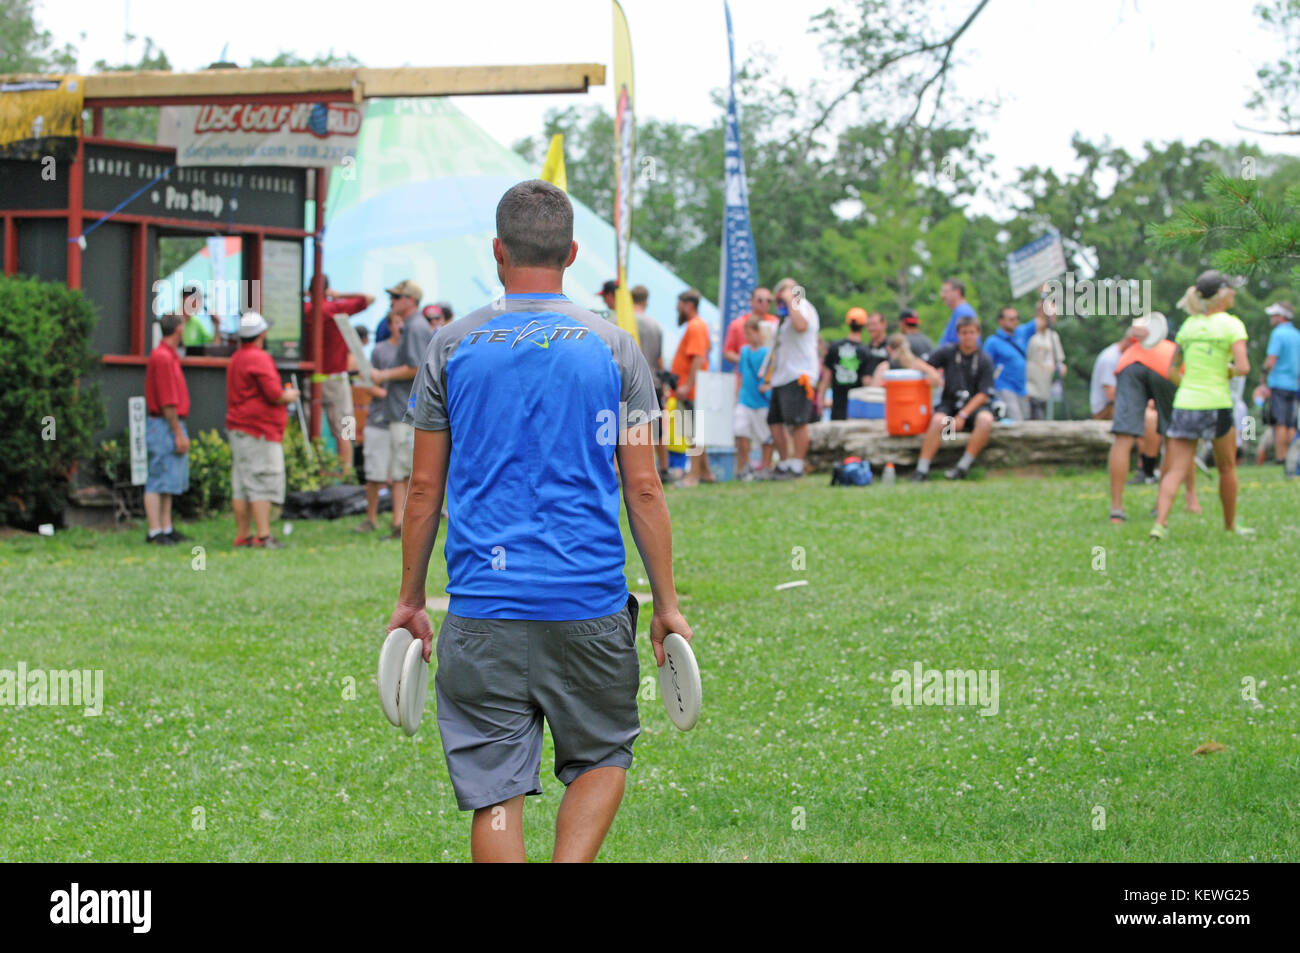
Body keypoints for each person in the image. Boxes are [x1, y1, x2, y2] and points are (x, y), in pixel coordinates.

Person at [386, 179, 692, 863]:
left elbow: (423, 489)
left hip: (482, 613)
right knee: (602, 753)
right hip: (587, 603)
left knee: (495, 791)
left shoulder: (449, 346)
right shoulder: (616, 349)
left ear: (497, 251)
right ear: (573, 252)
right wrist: (667, 605)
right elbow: (644, 490)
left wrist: (409, 600)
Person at [1151, 270, 1252, 540]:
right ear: (1220, 293)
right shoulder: (1232, 325)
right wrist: (1225, 372)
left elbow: (1172, 369)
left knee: (1176, 468)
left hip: (1186, 402)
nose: (1233, 293)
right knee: (1227, 467)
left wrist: (1188, 385)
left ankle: (1159, 524)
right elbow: (1243, 367)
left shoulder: (1189, 326)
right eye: (1230, 289)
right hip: (1216, 403)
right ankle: (1230, 526)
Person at [1107, 314, 1198, 523]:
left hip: (1129, 365)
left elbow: (1134, 331)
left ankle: (1116, 510)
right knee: (1174, 437)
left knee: (1123, 436)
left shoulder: (1134, 347)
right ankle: (1162, 505)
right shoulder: (1174, 350)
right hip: (1166, 367)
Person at [226, 312, 299, 549]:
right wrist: (289, 395)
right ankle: (264, 536)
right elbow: (274, 394)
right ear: (262, 334)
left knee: (241, 483)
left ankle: (244, 535)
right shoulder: (259, 358)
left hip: (239, 428)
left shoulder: (236, 357)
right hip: (259, 430)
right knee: (261, 480)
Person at [369, 280, 429, 538]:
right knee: (400, 471)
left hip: (408, 411)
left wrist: (383, 375)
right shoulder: (413, 326)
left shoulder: (415, 327)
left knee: (404, 473)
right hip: (403, 409)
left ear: (410, 300)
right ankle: (399, 523)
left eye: (396, 297)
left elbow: (415, 367)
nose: (392, 301)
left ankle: (403, 525)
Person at [304, 275, 374, 478]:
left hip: (311, 379)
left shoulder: (305, 311)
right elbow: (369, 298)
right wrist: (339, 295)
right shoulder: (335, 308)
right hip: (336, 379)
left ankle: (315, 473)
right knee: (346, 429)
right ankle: (347, 474)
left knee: (313, 431)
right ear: (327, 290)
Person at [911, 314, 996, 481]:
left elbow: (984, 394)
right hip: (950, 406)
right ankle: (922, 470)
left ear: (978, 334)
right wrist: (932, 372)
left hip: (972, 410)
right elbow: (917, 363)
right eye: (964, 333)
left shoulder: (984, 360)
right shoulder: (948, 351)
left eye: (971, 332)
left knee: (986, 419)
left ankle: (962, 467)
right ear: (958, 334)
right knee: (937, 421)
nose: (968, 336)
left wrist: (963, 415)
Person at [763, 277, 821, 479]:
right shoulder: (782, 318)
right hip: (781, 376)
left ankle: (797, 466)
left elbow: (801, 325)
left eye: (783, 293)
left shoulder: (801, 305)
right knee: (775, 421)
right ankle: (785, 463)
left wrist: (790, 299)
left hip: (799, 374)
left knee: (798, 422)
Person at [143, 313, 192, 545]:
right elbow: (166, 402)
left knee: (168, 478)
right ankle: (155, 531)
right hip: (163, 424)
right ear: (179, 330)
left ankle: (166, 527)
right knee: (158, 477)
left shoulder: (168, 356)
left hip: (168, 424)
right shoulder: (162, 357)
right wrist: (178, 432)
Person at [357, 311, 402, 533]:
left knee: (400, 475)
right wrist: (389, 395)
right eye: (396, 322)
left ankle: (399, 522)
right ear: (390, 325)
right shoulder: (380, 350)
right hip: (379, 419)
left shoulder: (415, 351)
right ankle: (371, 518)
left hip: (403, 421)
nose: (400, 326)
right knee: (374, 474)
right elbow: (367, 383)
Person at [670, 288, 716, 487]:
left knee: (693, 432)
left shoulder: (696, 326)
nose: (677, 310)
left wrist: (687, 385)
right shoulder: (697, 325)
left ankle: (693, 476)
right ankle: (706, 473)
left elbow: (698, 357)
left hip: (692, 390)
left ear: (689, 305)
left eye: (679, 306)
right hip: (693, 388)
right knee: (694, 431)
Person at [631, 285, 668, 477]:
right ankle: (663, 467)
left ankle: (622, 470)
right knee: (657, 429)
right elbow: (659, 359)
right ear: (646, 300)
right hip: (652, 382)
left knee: (623, 427)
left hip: (628, 383)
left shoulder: (618, 321)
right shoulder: (655, 325)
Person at [1261, 300, 1300, 465]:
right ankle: (1293, 456)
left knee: (1280, 422)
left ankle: (1281, 457)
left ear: (1282, 316)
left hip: (1279, 384)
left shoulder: (1278, 333)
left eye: (1274, 314)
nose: (1271, 317)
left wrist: (1262, 380)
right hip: (1294, 385)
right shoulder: (1297, 334)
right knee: (1291, 423)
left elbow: (1271, 361)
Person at [734, 316, 773, 478]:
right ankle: (745, 464)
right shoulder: (744, 351)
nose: (748, 337)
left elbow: (771, 375)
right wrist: (737, 393)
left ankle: (766, 466)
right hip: (745, 398)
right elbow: (741, 374)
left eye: (750, 333)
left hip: (762, 400)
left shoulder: (767, 353)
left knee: (765, 436)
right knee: (740, 430)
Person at [818, 307, 873, 421]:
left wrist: (820, 400)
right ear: (864, 326)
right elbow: (867, 381)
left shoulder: (834, 347)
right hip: (858, 407)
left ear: (848, 323)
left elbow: (826, 378)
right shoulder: (866, 351)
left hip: (837, 405)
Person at [983, 306, 1029, 422]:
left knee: (1025, 422)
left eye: (1016, 318)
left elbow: (1040, 322)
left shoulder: (1020, 336)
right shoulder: (992, 342)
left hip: (1021, 389)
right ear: (1001, 321)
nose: (1015, 322)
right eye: (1011, 319)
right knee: (1016, 422)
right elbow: (985, 367)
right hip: (1003, 388)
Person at [1024, 297, 1066, 420]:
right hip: (1029, 390)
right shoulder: (1029, 333)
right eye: (1050, 314)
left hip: (1044, 390)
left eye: (1055, 315)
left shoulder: (1053, 336)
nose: (1053, 318)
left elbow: (1059, 361)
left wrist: (1060, 368)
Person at [721, 287, 776, 372]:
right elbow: (728, 353)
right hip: (746, 376)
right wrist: (748, 360)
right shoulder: (737, 324)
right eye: (760, 300)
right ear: (751, 301)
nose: (764, 303)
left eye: (768, 300)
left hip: (770, 377)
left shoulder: (776, 323)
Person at [1089, 336, 1129, 420]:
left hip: (1112, 406)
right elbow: (1112, 394)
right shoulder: (1110, 358)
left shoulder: (1121, 355)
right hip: (1104, 411)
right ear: (1128, 341)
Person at [937, 278, 977, 348]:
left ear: (957, 292)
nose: (942, 295)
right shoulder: (958, 311)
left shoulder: (964, 312)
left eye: (945, 292)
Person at [180, 282, 215, 353]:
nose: (201, 303)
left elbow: (213, 345)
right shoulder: (173, 320)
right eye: (198, 299)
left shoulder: (195, 322)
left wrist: (217, 325)